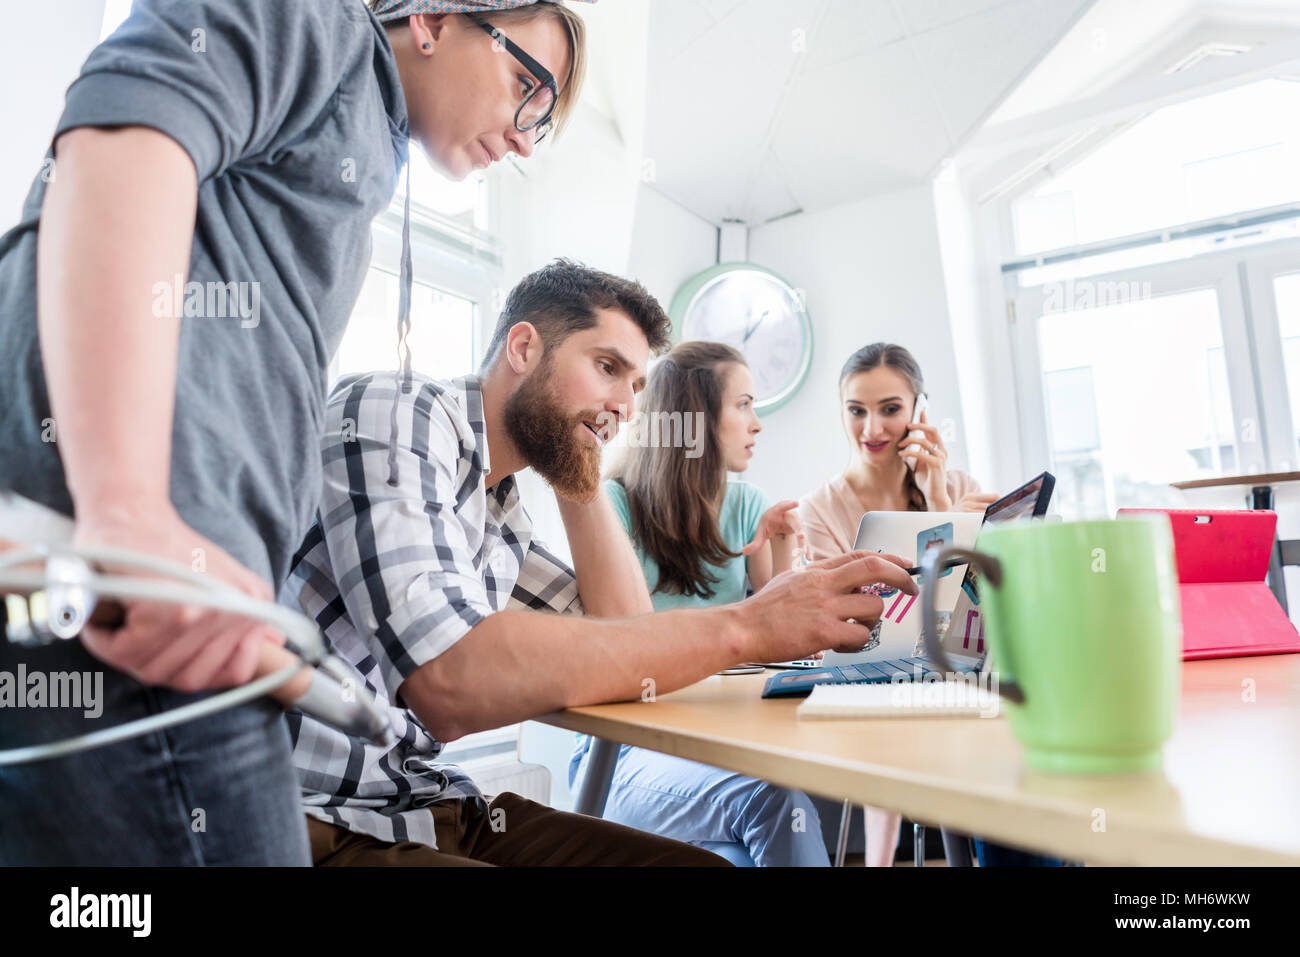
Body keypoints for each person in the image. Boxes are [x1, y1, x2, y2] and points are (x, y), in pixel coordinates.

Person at [0, 0, 593, 865]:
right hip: (149, 599)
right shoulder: (318, 25)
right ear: (431, 19)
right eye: (526, 88)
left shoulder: (358, 145)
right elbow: (121, 141)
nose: (525, 136)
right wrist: (125, 511)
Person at [285, 261, 918, 866]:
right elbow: (450, 682)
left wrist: (576, 474)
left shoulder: (501, 513)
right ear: (524, 348)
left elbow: (625, 640)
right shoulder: (398, 411)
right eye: (607, 367)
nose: (626, 406)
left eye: (637, 386)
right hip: (320, 820)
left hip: (429, 805)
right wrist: (749, 625)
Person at [564, 341, 828, 866]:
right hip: (623, 754)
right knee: (776, 799)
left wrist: (780, 547)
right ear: (698, 419)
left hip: (715, 749)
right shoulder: (614, 503)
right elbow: (624, 638)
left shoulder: (749, 505)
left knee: (740, 855)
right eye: (744, 404)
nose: (757, 423)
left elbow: (779, 645)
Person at [799, 342, 996, 866]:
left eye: (890, 409)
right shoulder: (820, 508)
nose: (872, 429)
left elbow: (977, 607)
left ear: (918, 410)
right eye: (856, 411)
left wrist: (938, 502)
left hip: (958, 670)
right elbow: (838, 619)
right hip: (870, 675)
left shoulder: (960, 488)